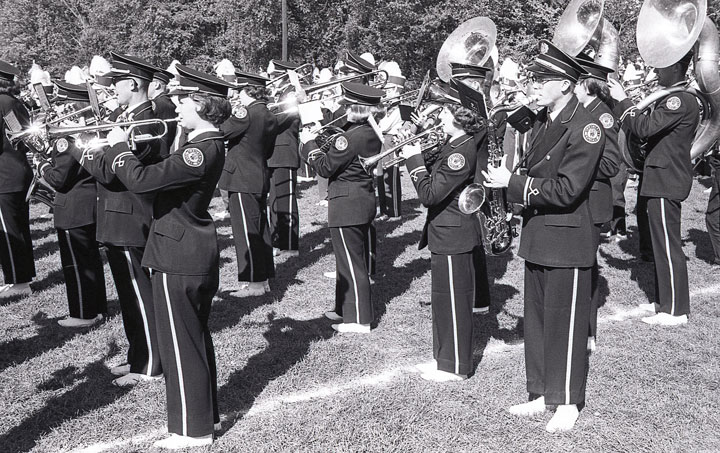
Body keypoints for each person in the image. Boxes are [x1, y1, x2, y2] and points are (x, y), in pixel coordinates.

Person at [69, 64, 232, 450]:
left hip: (180, 252)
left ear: (200, 104)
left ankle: (192, 431)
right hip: (183, 248)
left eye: (183, 100)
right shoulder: (200, 145)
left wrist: (118, 147)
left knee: (180, 344)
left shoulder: (200, 150)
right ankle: (205, 415)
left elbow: (142, 182)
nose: (176, 106)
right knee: (191, 339)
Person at [483, 40, 604, 432]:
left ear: (566, 84)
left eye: (543, 79)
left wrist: (513, 182)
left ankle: (566, 400)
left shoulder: (585, 128)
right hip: (539, 235)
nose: (534, 85)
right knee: (535, 321)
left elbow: (569, 189)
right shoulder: (543, 120)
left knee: (564, 323)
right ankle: (539, 391)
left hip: (567, 239)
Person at [67, 52, 166, 386]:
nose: (111, 89)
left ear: (133, 83)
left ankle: (150, 364)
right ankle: (137, 354)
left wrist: (80, 149)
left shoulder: (146, 121)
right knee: (128, 295)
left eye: (115, 83)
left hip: (130, 217)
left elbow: (113, 174)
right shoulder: (127, 117)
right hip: (116, 217)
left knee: (140, 295)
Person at [608, 51, 699, 326]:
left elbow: (644, 128)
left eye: (662, 67)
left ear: (675, 68)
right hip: (660, 178)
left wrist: (624, 100)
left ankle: (675, 311)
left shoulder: (678, 99)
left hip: (665, 180)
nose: (656, 71)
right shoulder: (674, 98)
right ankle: (664, 301)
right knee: (661, 245)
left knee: (668, 246)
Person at [401, 91, 483, 382]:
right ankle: (444, 359)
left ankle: (456, 365)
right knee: (443, 300)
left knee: (454, 301)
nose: (441, 117)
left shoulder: (461, 152)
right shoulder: (454, 143)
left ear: (459, 118)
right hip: (446, 233)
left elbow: (430, 194)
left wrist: (412, 160)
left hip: (453, 233)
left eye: (445, 113)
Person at [299, 82, 384, 333]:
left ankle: (358, 319)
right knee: (346, 261)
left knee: (351, 262)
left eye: (347, 106)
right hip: (359, 199)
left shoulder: (352, 137)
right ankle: (343, 309)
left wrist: (309, 144)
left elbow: (325, 167)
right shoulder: (365, 132)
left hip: (347, 202)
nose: (343, 111)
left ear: (355, 109)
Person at [36, 81, 107, 327]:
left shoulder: (67, 139)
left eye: (61, 105)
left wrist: (39, 164)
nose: (57, 110)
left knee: (76, 264)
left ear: (71, 107)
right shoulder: (87, 133)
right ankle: (97, 307)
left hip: (73, 207)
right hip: (87, 204)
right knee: (90, 261)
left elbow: (58, 180)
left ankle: (83, 313)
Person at [573, 54, 621, 350]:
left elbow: (611, 163)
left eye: (576, 82)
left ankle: (588, 332)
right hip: (580, 199)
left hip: (592, 201)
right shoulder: (582, 111)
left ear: (586, 85)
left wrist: (576, 165)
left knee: (586, 266)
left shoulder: (601, 114)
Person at [219, 69, 278, 296]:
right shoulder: (268, 114)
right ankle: (263, 280)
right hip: (258, 176)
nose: (237, 96)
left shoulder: (247, 113)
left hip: (242, 179)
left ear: (247, 91)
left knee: (246, 232)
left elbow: (222, 132)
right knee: (260, 229)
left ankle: (254, 283)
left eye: (240, 91)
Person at [0, 60, 36, 298]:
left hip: (4, 173)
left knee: (9, 228)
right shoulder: (11, 102)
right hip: (17, 169)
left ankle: (19, 282)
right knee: (19, 227)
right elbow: (17, 135)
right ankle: (22, 277)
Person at [267, 60, 302, 256]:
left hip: (285, 152)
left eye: (274, 75)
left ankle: (290, 244)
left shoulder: (290, 93)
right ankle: (276, 240)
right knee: (274, 199)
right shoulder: (278, 94)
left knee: (286, 200)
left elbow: (286, 117)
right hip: (274, 152)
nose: (271, 79)